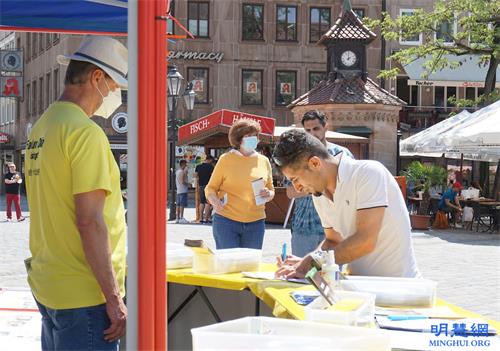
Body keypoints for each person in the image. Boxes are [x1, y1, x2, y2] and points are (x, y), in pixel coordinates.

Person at [24, 36, 127, 350]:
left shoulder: (43, 126)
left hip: (51, 283)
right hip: (85, 292)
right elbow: (90, 221)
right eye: (114, 86)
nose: (115, 95)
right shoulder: (85, 133)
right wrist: (113, 297)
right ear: (97, 77)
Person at [273, 129, 420, 278]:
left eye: (295, 179)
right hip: (358, 286)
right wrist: (305, 262)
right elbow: (333, 241)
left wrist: (312, 263)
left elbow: (366, 241)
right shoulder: (319, 194)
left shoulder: (368, 173)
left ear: (315, 163)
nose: (297, 188)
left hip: (400, 288)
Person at [285, 110, 353, 257]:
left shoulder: (342, 153)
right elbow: (290, 192)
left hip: (336, 227)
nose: (312, 133)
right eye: (307, 130)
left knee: (333, 275)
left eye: (316, 129)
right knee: (302, 275)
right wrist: (312, 185)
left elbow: (349, 189)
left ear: (325, 128)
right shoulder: (296, 157)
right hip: (304, 227)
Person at [205, 119, 274, 249]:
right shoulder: (226, 159)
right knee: (229, 265)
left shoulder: (264, 161)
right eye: (248, 136)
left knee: (250, 266)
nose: (253, 139)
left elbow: (271, 189)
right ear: (238, 139)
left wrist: (268, 193)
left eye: (255, 136)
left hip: (256, 223)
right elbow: (210, 188)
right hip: (226, 221)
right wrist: (214, 201)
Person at [195, 155, 214, 223]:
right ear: (209, 160)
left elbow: (196, 176)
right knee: (208, 202)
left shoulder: (198, 167)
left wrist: (197, 184)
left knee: (202, 202)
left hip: (201, 186)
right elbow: (213, 176)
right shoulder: (211, 167)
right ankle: (206, 218)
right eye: (211, 161)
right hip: (209, 186)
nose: (211, 162)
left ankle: (200, 218)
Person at [175, 159, 189, 224]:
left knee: (178, 204)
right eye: (185, 164)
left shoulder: (177, 171)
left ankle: (177, 218)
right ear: (183, 164)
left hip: (178, 190)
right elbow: (183, 181)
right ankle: (181, 217)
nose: (186, 165)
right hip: (183, 190)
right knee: (182, 204)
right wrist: (189, 184)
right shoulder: (182, 172)